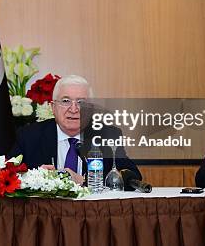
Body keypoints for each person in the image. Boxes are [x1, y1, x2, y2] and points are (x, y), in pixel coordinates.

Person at [10, 75, 141, 185]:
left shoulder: (108, 135)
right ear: (53, 107)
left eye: (81, 102)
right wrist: (35, 177)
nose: (74, 109)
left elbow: (133, 176)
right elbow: (7, 176)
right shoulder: (28, 136)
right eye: (66, 101)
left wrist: (85, 181)